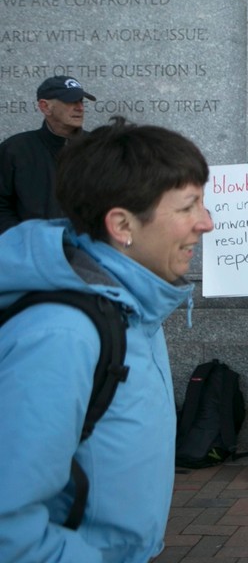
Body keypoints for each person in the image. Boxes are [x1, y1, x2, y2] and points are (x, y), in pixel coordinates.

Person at [0, 117, 214, 562]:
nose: (206, 223)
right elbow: (9, 528)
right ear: (121, 224)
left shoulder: (130, 306)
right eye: (187, 207)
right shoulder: (62, 335)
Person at [0, 75, 96, 235]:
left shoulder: (99, 148)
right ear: (45, 107)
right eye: (71, 101)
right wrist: (22, 238)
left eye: (81, 101)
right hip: (31, 247)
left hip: (89, 247)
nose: (80, 108)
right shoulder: (15, 150)